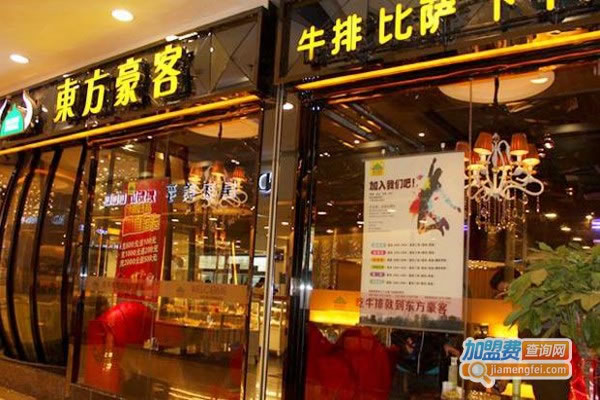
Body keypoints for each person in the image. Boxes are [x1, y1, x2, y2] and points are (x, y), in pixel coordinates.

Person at [410, 158, 462, 236]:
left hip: (424, 205)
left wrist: (455, 207)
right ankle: (440, 224)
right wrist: (432, 164)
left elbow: (445, 198)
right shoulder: (433, 182)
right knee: (422, 227)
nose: (436, 175)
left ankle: (440, 223)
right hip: (424, 205)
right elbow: (445, 198)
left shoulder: (433, 181)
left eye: (438, 174)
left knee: (420, 230)